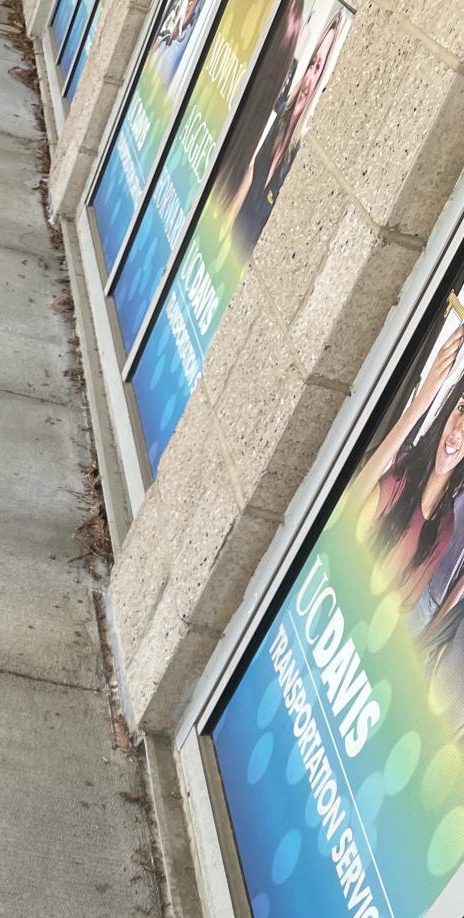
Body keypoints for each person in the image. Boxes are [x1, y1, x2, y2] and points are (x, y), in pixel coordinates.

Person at [350, 323, 464, 612]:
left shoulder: (444, 527)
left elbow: (396, 612)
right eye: (462, 409)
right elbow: (350, 507)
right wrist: (420, 405)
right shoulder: (402, 470)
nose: (458, 430)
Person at [220, 8, 346, 265]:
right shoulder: (277, 120)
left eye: (318, 68)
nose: (309, 76)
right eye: (312, 64)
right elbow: (247, 173)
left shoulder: (298, 155)